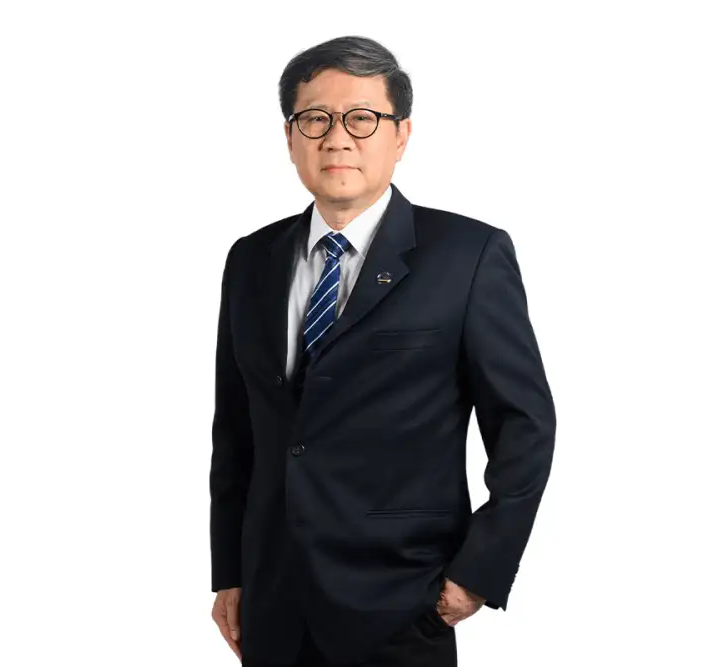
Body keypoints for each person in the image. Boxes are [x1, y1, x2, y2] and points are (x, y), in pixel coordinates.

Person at [209, 35, 556, 667]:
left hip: (403, 602)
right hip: (272, 598)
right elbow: (236, 431)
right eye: (315, 119)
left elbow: (525, 426)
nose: (337, 139)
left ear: (401, 135)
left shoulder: (468, 256)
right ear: (289, 137)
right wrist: (229, 570)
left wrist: (478, 572)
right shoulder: (251, 259)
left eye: (362, 119)